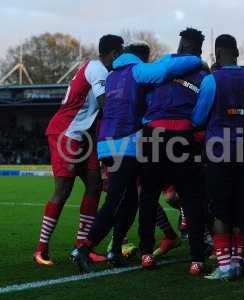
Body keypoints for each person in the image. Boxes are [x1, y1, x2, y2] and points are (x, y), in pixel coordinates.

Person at [73, 42, 203, 272]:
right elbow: (164, 71)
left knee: (131, 200)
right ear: (141, 58)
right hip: (127, 142)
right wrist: (195, 60)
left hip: (107, 142)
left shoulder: (113, 75)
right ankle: (84, 247)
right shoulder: (138, 70)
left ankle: (114, 251)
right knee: (118, 199)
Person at [33, 35, 124, 266]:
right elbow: (105, 103)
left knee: (95, 185)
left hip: (85, 135)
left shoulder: (99, 70)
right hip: (67, 133)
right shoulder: (97, 69)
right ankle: (41, 248)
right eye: (120, 53)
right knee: (63, 189)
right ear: (114, 53)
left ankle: (82, 245)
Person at [192, 34, 244, 280]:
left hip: (219, 152)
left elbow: (198, 118)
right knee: (240, 209)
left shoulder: (212, 80)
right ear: (237, 51)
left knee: (220, 211)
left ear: (218, 52)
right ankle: (236, 262)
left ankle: (224, 267)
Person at [138, 28, 209, 275]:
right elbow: (202, 113)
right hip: (182, 135)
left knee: (148, 196)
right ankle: (197, 259)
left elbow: (144, 92)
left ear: (182, 47)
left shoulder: (163, 66)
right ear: (199, 50)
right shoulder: (204, 75)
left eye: (181, 46)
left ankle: (146, 253)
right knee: (191, 197)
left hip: (153, 133)